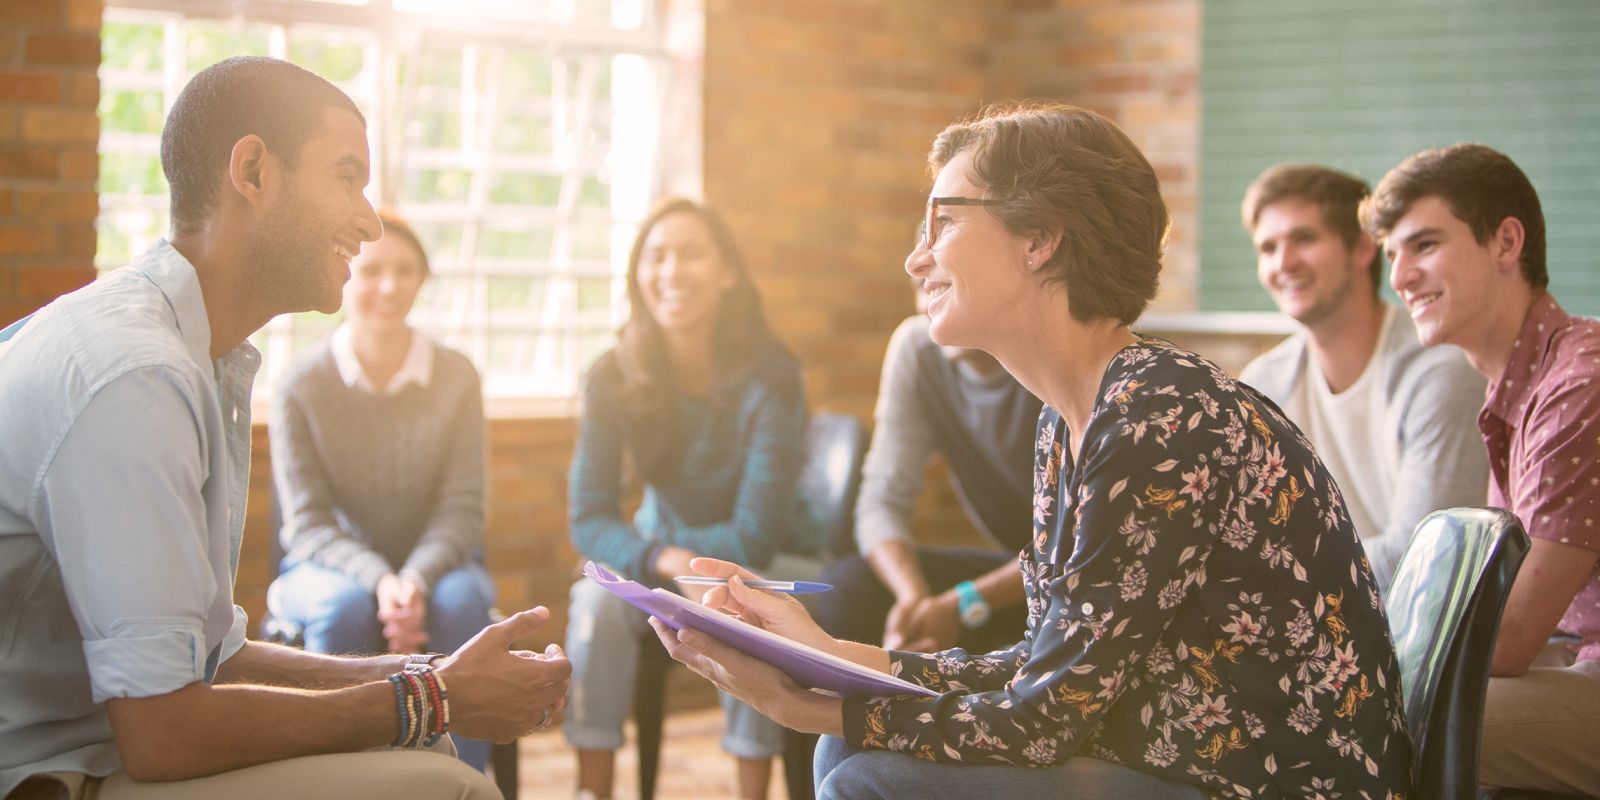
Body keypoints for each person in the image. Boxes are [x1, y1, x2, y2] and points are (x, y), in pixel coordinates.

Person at [647, 103, 1413, 799]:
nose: (917, 260)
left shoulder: (1157, 416)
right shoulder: (1069, 422)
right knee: (842, 758)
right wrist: (832, 657)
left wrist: (804, 702)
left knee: (866, 774)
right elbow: (1040, 666)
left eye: (943, 223)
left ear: (1041, 239)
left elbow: (1043, 720)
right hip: (1176, 755)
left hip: (1275, 785)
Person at [0, 56, 568, 800]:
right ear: (254, 171)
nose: (368, 219)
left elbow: (213, 656)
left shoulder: (193, 354)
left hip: (109, 737)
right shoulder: (135, 376)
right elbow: (165, 731)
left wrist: (429, 676)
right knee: (450, 786)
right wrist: (437, 701)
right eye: (346, 176)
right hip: (46, 770)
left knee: (431, 753)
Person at [563, 197, 823, 800]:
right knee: (594, 605)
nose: (671, 270)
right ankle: (591, 790)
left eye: (691, 253)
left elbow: (753, 535)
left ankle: (750, 788)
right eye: (656, 256)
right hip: (661, 558)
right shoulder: (612, 375)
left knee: (740, 601)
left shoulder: (772, 377)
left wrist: (683, 566)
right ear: (638, 277)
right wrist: (665, 563)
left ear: (728, 272)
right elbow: (589, 517)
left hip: (779, 562)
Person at [1363, 143, 1600, 796]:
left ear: (1506, 242)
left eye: (1425, 245)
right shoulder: (1521, 384)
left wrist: (1339, 647)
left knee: (1380, 720)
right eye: (1392, 257)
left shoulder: (1578, 383)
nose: (1402, 277)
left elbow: (1512, 635)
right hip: (1578, 654)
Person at [266, 209, 496, 770]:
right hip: (326, 569)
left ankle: (462, 780)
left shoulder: (458, 376)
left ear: (422, 279)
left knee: (462, 601)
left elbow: (463, 509)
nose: (389, 287)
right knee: (344, 609)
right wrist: (380, 580)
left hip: (436, 567)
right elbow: (308, 525)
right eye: (372, 272)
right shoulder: (299, 383)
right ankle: (340, 778)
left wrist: (413, 578)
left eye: (405, 271)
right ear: (346, 274)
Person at [1238, 164, 1487, 591]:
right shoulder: (1263, 384)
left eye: (1304, 238)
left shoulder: (1441, 371)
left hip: (1426, 642)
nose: (1283, 263)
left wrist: (1274, 577)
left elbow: (1423, 561)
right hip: (1319, 629)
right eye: (1267, 248)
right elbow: (1253, 537)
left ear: (1362, 247)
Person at [813, 277, 1039, 654]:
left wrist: (961, 602)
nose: (927, 301)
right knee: (848, 587)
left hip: (1084, 578)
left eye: (946, 282)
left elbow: (1081, 544)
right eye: (922, 285)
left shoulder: (1059, 353)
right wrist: (914, 599)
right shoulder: (919, 347)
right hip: (1017, 569)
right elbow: (880, 502)